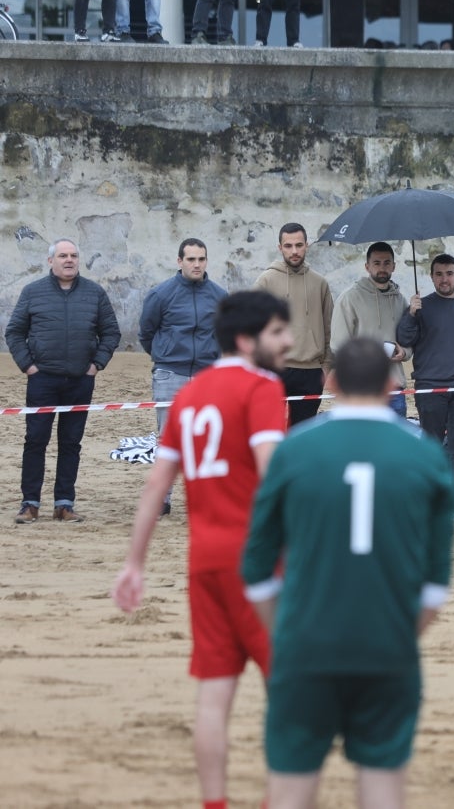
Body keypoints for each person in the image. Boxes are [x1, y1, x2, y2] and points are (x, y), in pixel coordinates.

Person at [240, 337, 454, 809]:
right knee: (382, 785)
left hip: (306, 644)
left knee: (291, 787)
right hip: (387, 644)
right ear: (390, 384)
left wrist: (285, 635)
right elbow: (436, 584)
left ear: (331, 381)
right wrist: (401, 636)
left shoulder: (294, 449)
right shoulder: (424, 454)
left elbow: (256, 568)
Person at [112, 290, 292, 809]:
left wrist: (134, 564)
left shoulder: (189, 395)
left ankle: (215, 802)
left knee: (215, 693)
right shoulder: (261, 387)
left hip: (204, 561)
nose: (288, 341)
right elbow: (271, 473)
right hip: (257, 563)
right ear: (246, 339)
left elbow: (155, 488)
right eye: (278, 332)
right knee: (289, 690)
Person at [7, 239, 120, 525]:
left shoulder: (95, 293)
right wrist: (29, 366)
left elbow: (111, 333)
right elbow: (14, 332)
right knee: (35, 441)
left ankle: (64, 504)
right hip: (42, 380)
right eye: (62, 256)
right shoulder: (32, 292)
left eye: (73, 255)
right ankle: (30, 503)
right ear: (50, 261)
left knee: (71, 443)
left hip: (80, 381)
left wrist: (96, 365)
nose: (69, 260)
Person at [138, 237, 228, 516]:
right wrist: (165, 355)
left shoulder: (219, 296)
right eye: (191, 259)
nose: (197, 264)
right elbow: (146, 332)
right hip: (169, 374)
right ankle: (162, 499)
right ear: (180, 262)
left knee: (206, 439)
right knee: (168, 440)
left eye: (201, 259)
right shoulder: (161, 294)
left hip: (207, 376)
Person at [396, 253, 454, 524]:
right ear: (431, 276)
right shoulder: (421, 307)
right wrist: (411, 313)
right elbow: (404, 339)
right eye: (438, 274)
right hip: (429, 388)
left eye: (449, 273)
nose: (444, 279)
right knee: (432, 446)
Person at [255, 222, 333, 427]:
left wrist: (325, 367)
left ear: (307, 245)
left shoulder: (320, 283)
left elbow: (328, 328)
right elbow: (252, 326)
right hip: (275, 368)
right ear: (280, 248)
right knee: (271, 431)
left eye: (299, 245)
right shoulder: (266, 281)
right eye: (288, 246)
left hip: (311, 372)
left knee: (303, 436)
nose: (294, 251)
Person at [332, 242, 411, 416]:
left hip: (394, 387)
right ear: (367, 266)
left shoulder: (401, 300)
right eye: (377, 263)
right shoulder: (349, 298)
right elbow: (338, 345)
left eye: (386, 263)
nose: (382, 268)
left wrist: (404, 352)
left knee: (394, 443)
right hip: (361, 389)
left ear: (394, 266)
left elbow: (409, 338)